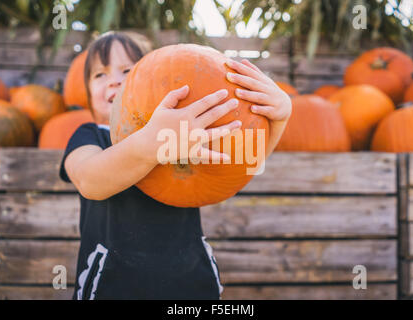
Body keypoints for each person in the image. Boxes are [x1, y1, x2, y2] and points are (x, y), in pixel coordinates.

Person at [60, 32, 292, 300]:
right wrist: (150, 144)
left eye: (126, 70)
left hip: (191, 283)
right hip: (113, 286)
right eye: (99, 75)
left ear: (154, 77)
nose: (113, 80)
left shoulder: (187, 134)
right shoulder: (90, 135)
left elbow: (240, 165)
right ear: (87, 90)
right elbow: (89, 180)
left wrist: (279, 120)